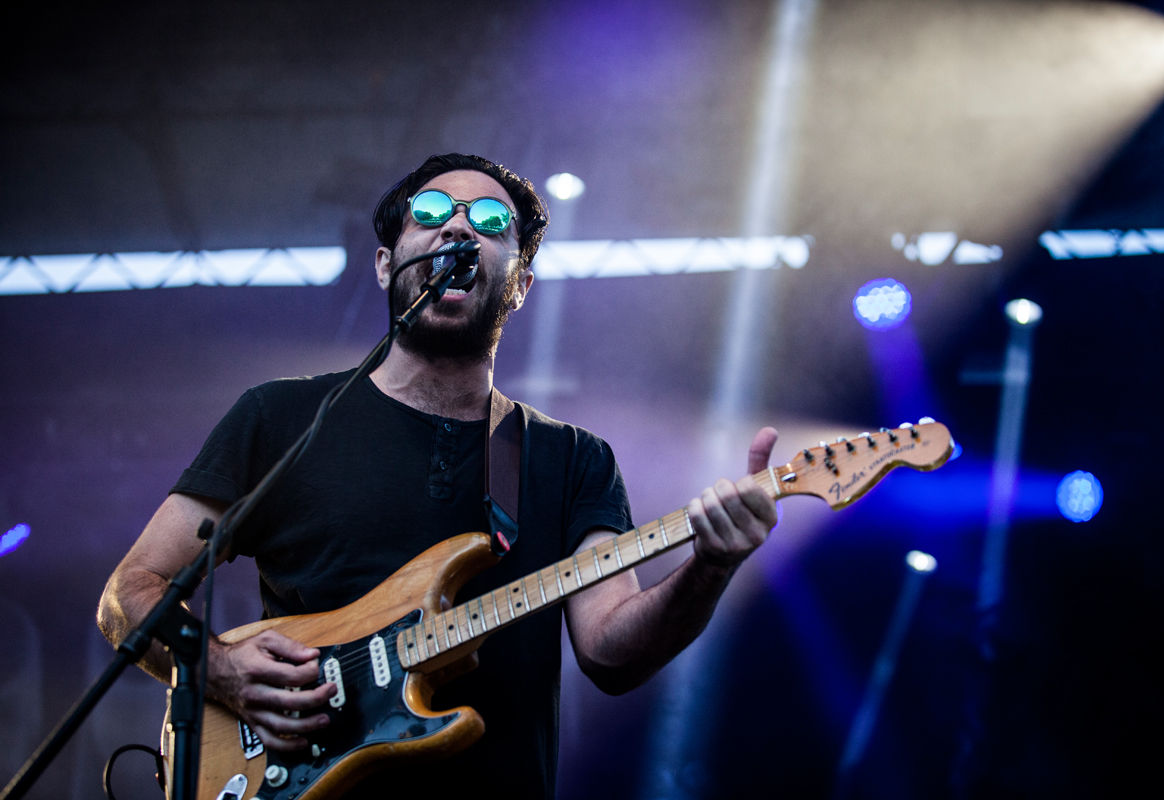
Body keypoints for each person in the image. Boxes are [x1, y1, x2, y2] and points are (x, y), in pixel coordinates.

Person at [97, 153, 779, 799]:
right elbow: (131, 593)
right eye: (431, 212)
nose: (458, 226)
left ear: (519, 285)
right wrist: (222, 671)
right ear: (386, 263)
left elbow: (609, 650)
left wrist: (709, 567)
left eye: (490, 223)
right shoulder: (279, 417)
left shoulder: (571, 458)